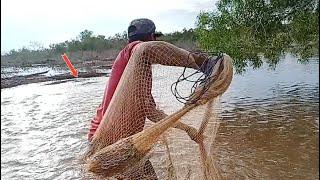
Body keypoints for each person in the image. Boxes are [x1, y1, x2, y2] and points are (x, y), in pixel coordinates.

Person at [87, 18, 206, 179]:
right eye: (154, 38)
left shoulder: (138, 70)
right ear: (151, 37)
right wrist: (199, 62)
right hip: (110, 142)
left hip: (118, 142)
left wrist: (187, 129)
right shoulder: (133, 51)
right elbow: (146, 48)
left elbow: (152, 113)